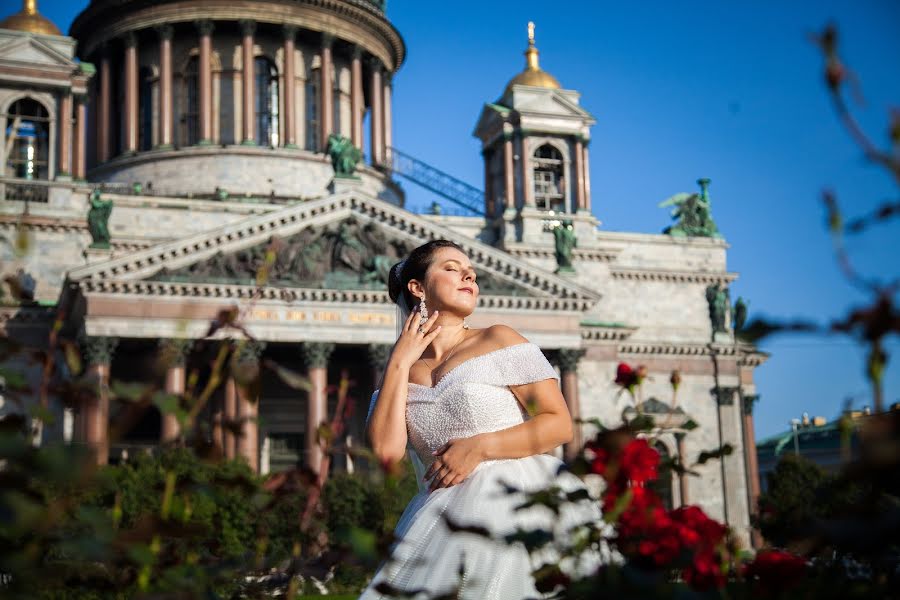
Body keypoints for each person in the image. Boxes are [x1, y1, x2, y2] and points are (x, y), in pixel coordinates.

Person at [360, 239, 603, 599]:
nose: (469, 275)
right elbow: (384, 452)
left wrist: (481, 446)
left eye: (471, 272)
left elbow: (558, 424)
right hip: (440, 519)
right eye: (452, 268)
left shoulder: (499, 339)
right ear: (417, 287)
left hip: (517, 504)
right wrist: (399, 360)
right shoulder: (402, 372)